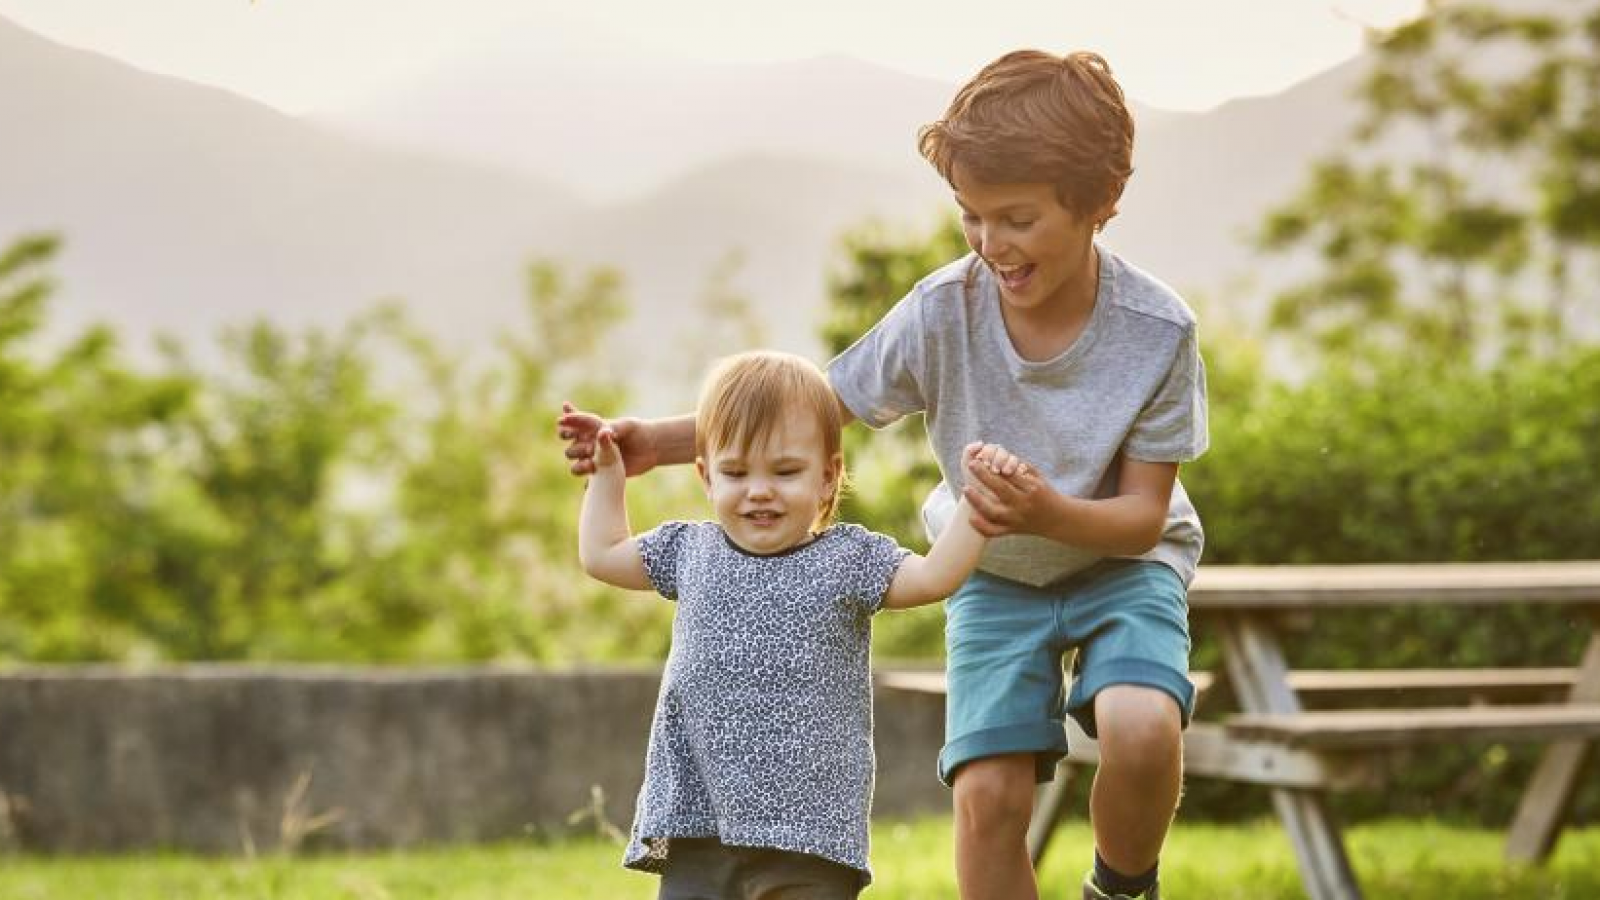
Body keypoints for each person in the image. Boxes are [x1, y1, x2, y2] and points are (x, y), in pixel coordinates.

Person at [561, 49, 1207, 900]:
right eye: (970, 217)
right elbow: (822, 401)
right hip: (993, 576)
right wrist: (663, 442)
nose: (990, 246)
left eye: (1016, 219)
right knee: (987, 796)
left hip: (1124, 566)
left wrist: (1045, 509)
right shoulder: (944, 309)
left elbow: (1139, 519)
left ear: (1100, 206)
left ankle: (1122, 889)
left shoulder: (1155, 330)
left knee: (1141, 725)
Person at [578, 350, 995, 899]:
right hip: (695, 825)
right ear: (705, 475)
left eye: (785, 471)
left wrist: (978, 504)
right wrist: (607, 475)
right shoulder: (690, 550)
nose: (759, 490)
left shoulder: (850, 559)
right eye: (735, 472)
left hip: (810, 835)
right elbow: (603, 554)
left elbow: (935, 575)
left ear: (828, 477)